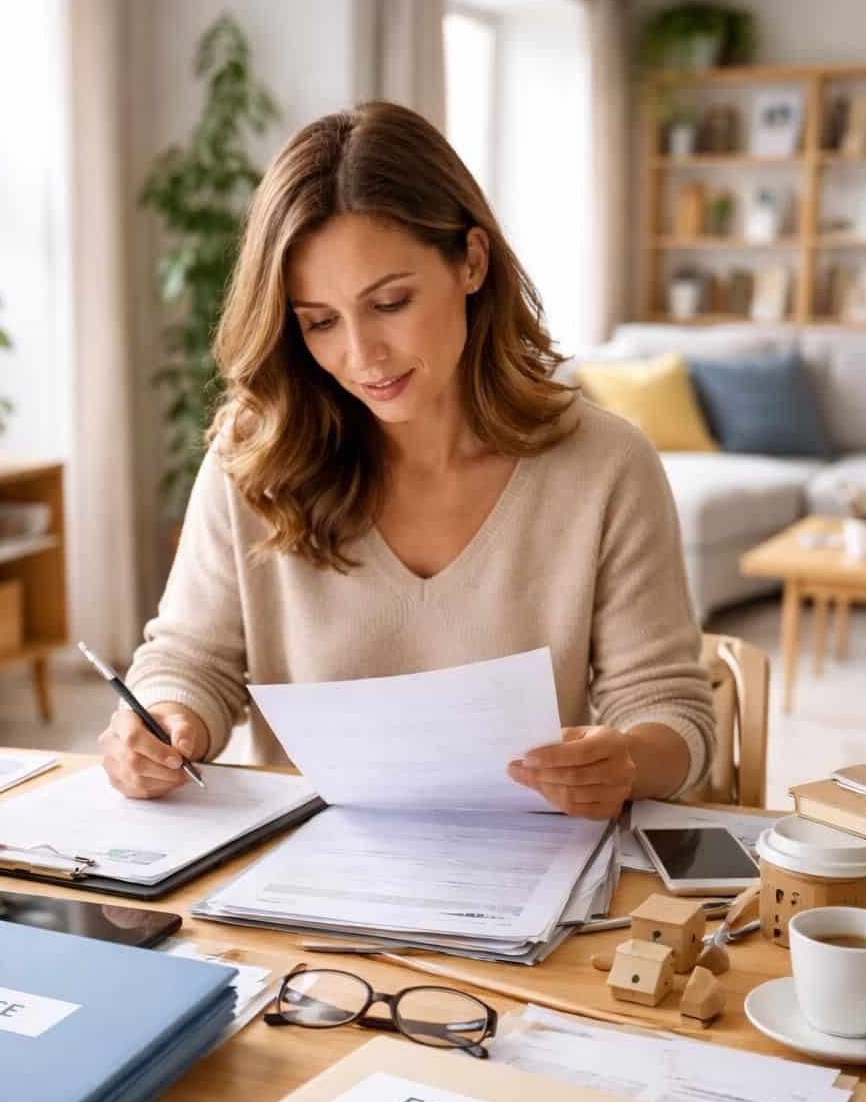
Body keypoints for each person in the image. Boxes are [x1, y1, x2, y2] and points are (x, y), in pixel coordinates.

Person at [102, 102, 714, 819]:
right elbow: (190, 660)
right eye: (320, 322)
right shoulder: (256, 458)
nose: (361, 355)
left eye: (390, 303)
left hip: (527, 863)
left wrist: (627, 762)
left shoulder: (605, 466)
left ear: (472, 262)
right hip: (305, 866)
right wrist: (164, 723)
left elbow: (670, 709)